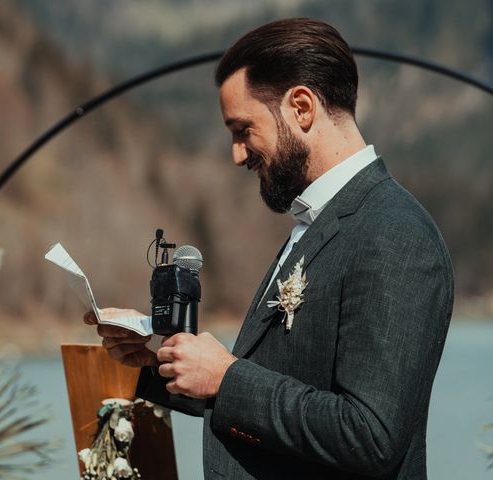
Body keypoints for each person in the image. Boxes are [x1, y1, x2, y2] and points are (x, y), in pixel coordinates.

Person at [84, 18, 454, 479]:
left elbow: (370, 435)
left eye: (243, 129)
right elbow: (282, 387)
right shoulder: (318, 224)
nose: (237, 154)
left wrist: (225, 376)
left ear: (301, 107)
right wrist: (155, 366)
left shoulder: (395, 233)